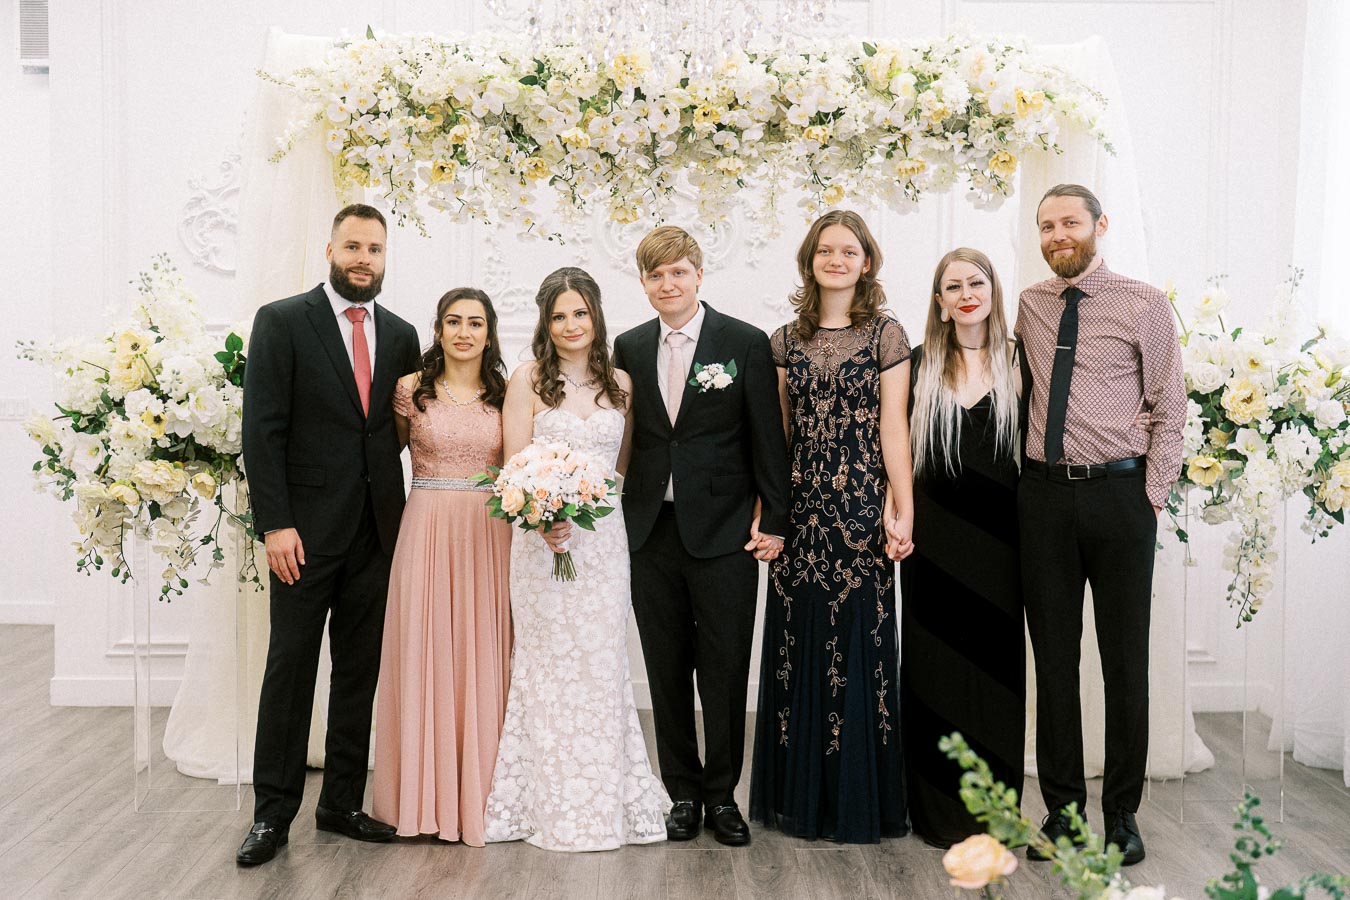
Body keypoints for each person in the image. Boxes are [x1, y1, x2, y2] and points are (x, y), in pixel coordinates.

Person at [238, 204, 422, 866]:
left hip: (376, 532)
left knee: (357, 673)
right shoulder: (283, 321)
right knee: (290, 668)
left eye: (374, 248)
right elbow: (262, 431)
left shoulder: (402, 334)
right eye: (352, 246)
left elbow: (397, 433)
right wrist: (276, 524)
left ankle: (341, 802)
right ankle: (271, 813)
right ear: (329, 249)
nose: (363, 258)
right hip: (303, 535)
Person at [1017, 184, 1184, 866]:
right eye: (1047, 225)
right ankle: (1062, 812)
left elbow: (1171, 405)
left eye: (1070, 223)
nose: (1058, 234)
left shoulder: (1144, 303)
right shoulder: (1029, 305)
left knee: (1124, 663)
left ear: (1099, 226)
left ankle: (1121, 813)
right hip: (1044, 501)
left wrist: (1151, 496)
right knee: (1054, 665)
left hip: (1120, 499)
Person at [612, 226, 791, 847]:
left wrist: (773, 520)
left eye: (678, 272)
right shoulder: (629, 347)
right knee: (665, 669)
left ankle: (722, 796)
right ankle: (681, 793)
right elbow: (628, 437)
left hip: (724, 536)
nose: (668, 284)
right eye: (656, 275)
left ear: (698, 274)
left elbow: (768, 436)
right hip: (650, 533)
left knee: (722, 667)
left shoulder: (742, 342)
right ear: (644, 283)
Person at [483, 267, 668, 852]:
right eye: (559, 315)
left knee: (599, 661)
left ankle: (607, 795)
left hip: (604, 543)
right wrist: (544, 516)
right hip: (542, 546)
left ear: (596, 317)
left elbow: (622, 470)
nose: (570, 325)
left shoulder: (621, 384)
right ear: (546, 322)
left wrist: (586, 509)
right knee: (548, 663)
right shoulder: (527, 381)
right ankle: (540, 798)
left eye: (580, 313)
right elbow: (513, 466)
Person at [748, 210, 912, 844]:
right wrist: (770, 510)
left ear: (866, 261)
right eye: (825, 250)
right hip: (802, 509)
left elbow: (894, 427)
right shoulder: (785, 340)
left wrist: (903, 506)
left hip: (862, 508)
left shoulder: (887, 336)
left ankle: (856, 800)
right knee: (797, 644)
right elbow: (779, 434)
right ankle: (800, 798)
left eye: (849, 251)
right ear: (809, 260)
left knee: (861, 646)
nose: (836, 259)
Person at [370, 288, 512, 846]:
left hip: (488, 531)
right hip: (425, 525)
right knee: (425, 651)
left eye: (475, 323)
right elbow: (388, 457)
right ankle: (422, 797)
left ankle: (482, 795)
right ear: (438, 328)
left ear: (489, 331)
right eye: (453, 321)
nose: (463, 332)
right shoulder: (411, 391)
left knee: (480, 650)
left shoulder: (506, 393)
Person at [899, 248, 1025, 848]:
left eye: (977, 282)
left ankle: (997, 815)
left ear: (994, 291)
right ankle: (936, 811)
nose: (967, 293)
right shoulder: (918, 365)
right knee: (935, 672)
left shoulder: (1023, 361)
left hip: (1004, 546)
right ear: (940, 303)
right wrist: (895, 515)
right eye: (954, 286)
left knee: (997, 676)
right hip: (934, 543)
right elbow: (891, 452)